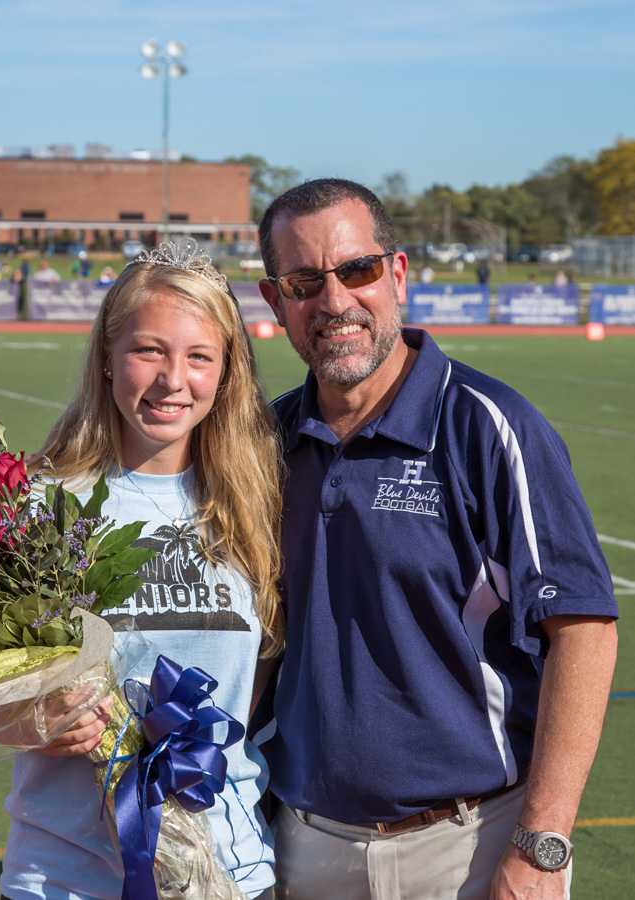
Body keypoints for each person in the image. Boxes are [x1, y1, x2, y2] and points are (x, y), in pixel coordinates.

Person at [253, 178, 618, 900]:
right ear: (274, 301)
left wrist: (542, 842)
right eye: (303, 283)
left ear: (397, 274)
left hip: (469, 849)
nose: (334, 301)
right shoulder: (261, 442)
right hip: (299, 848)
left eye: (357, 270)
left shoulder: (490, 426)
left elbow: (583, 630)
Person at [0, 240, 282, 900]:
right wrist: (33, 722)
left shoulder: (258, 505)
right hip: (64, 876)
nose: (172, 379)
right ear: (106, 357)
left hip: (229, 870)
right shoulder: (41, 504)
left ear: (226, 372)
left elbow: (257, 683)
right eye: (149, 350)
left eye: (199, 356)